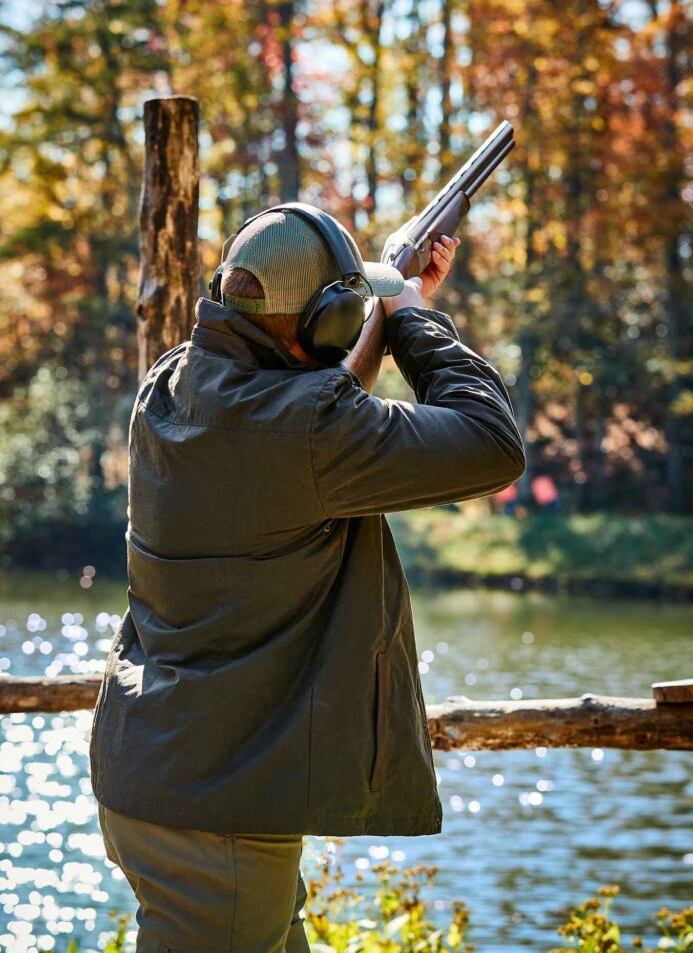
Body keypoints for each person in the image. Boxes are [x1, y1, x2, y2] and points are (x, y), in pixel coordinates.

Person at [90, 205, 526, 953]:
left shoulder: (171, 386)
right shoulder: (306, 430)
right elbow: (490, 445)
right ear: (326, 322)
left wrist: (380, 320)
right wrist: (414, 317)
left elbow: (310, 415)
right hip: (218, 815)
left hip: (168, 777)